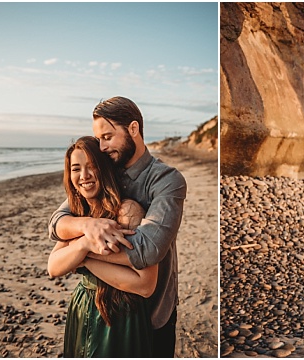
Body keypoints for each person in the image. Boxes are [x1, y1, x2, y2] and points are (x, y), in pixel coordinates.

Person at [48, 96, 187, 357]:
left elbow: (148, 251)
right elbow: (58, 222)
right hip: (100, 307)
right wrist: (87, 225)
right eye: (98, 139)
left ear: (133, 129)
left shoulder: (167, 181)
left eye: (107, 137)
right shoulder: (103, 171)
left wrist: (81, 251)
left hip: (154, 309)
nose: (101, 147)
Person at [48, 136, 156, 357]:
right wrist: (86, 242)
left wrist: (82, 256)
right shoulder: (78, 214)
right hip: (83, 305)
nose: (84, 176)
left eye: (92, 166)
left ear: (105, 169)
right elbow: (53, 267)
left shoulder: (127, 211)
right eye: (76, 169)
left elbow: (145, 285)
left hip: (120, 314)